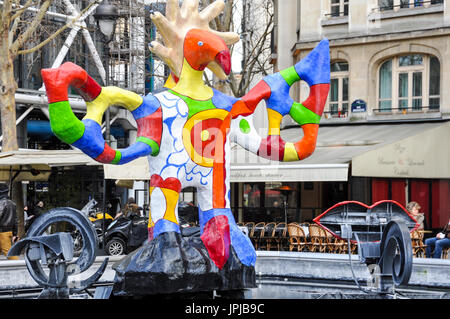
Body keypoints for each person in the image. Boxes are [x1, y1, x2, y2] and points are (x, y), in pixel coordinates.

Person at [0, 183, 19, 260]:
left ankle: (20, 267)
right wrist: (15, 233)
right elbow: (15, 220)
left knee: (10, 254)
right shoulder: (12, 203)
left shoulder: (1, 203)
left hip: (2, 232)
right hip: (8, 231)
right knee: (9, 252)